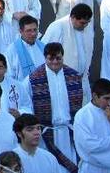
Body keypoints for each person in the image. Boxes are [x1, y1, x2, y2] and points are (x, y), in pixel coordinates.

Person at [23, 42, 82, 173]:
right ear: (45, 58)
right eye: (51, 58)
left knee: (73, 165)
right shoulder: (33, 79)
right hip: (47, 133)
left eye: (58, 58)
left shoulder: (73, 76)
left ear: (63, 57)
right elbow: (26, 104)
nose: (55, 62)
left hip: (69, 132)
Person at [42, 3, 94, 102]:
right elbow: (45, 52)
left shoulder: (85, 29)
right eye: (82, 23)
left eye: (87, 22)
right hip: (62, 80)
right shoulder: (58, 27)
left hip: (82, 79)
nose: (85, 25)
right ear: (73, 17)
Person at [73, 78, 110, 173]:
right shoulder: (82, 115)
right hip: (92, 168)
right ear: (94, 95)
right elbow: (89, 145)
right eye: (106, 98)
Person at [5, 15, 45, 81]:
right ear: (20, 31)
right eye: (29, 31)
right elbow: (9, 77)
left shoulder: (43, 47)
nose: (33, 34)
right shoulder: (12, 51)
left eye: (35, 30)